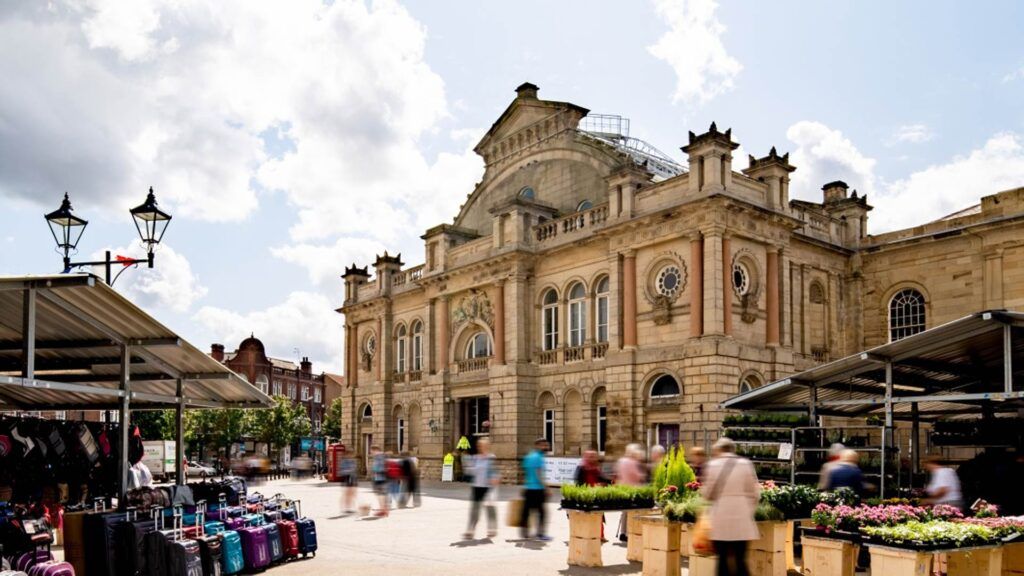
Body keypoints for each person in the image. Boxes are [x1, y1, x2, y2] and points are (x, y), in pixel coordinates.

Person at [701, 437, 760, 576]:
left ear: (719, 450)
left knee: (721, 560)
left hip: (720, 517)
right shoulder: (746, 464)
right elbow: (755, 493)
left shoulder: (712, 465)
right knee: (741, 560)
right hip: (742, 517)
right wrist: (748, 509)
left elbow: (707, 493)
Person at [464, 438, 500, 539]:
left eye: (483, 445)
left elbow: (495, 472)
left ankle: (492, 529)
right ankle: (470, 530)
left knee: (490, 509)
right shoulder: (475, 458)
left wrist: (495, 478)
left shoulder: (491, 457)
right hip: (477, 487)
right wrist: (468, 466)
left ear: (487, 446)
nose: (480, 447)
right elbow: (469, 472)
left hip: (488, 488)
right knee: (475, 510)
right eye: (479, 445)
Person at [614, 443, 646, 542]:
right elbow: (637, 476)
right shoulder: (632, 462)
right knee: (632, 512)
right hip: (632, 490)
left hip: (623, 489)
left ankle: (622, 532)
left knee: (624, 512)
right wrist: (642, 475)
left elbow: (617, 473)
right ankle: (629, 533)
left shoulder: (621, 461)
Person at [521, 438, 551, 541]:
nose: (546, 447)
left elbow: (525, 473)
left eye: (547, 445)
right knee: (542, 512)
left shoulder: (529, 456)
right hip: (537, 489)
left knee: (527, 511)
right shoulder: (538, 457)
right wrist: (546, 488)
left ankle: (525, 532)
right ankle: (540, 533)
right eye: (544, 445)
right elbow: (539, 474)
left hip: (528, 488)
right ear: (537, 445)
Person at [371, 446, 390, 516]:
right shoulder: (383, 456)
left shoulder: (379, 457)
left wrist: (374, 470)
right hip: (383, 478)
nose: (371, 453)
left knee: (380, 494)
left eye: (372, 451)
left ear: (375, 450)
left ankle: (383, 510)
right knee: (382, 494)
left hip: (380, 478)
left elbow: (379, 468)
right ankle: (384, 510)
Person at [339, 446, 358, 514]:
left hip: (353, 478)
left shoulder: (353, 461)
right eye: (350, 453)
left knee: (352, 494)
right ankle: (346, 508)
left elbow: (355, 470)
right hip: (346, 478)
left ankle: (350, 507)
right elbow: (341, 471)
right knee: (346, 494)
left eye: (352, 453)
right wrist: (349, 470)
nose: (351, 455)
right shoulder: (344, 461)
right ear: (347, 454)